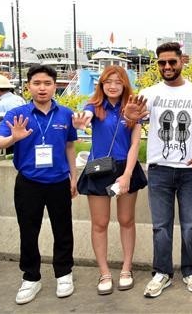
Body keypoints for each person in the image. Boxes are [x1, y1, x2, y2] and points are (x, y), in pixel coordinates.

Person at [124, 42, 192, 298]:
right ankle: (162, 272)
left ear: (182, 61)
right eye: (162, 63)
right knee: (161, 226)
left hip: (190, 171)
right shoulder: (149, 93)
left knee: (191, 224)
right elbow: (134, 123)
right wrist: (130, 116)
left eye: (172, 62)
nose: (167, 67)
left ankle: (190, 269)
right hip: (159, 169)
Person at [0, 64, 78, 305]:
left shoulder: (65, 114)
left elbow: (70, 146)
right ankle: (31, 277)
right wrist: (13, 138)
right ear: (28, 86)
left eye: (47, 83)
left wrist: (74, 176)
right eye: (37, 83)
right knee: (28, 231)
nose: (42, 88)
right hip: (28, 182)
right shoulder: (17, 114)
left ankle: (64, 273)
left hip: (59, 181)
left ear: (54, 86)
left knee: (63, 230)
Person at [72, 65, 147, 295]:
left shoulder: (132, 107)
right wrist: (82, 121)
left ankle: (126, 268)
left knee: (126, 220)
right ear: (101, 85)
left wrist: (126, 176)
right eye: (107, 82)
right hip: (99, 168)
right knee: (100, 223)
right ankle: (104, 272)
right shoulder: (94, 106)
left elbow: (136, 143)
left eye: (117, 81)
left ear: (124, 83)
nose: (112, 86)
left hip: (126, 167)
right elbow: (86, 116)